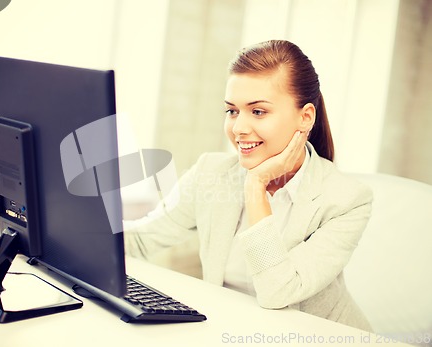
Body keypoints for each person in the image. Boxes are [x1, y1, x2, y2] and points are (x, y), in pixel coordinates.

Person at [123, 39, 373, 331]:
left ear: (305, 117)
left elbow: (277, 292)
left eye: (258, 112)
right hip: (229, 331)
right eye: (232, 111)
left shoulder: (347, 200)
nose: (239, 128)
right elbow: (140, 240)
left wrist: (256, 187)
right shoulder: (210, 172)